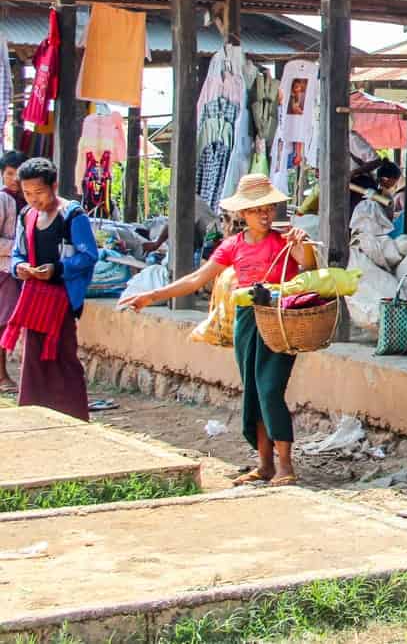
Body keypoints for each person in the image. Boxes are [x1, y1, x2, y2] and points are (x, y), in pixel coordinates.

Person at [123, 174, 316, 486]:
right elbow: (196, 279)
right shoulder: (232, 246)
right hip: (246, 321)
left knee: (270, 389)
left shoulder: (284, 241)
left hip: (279, 320)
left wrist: (302, 244)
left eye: (268, 208)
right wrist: (153, 295)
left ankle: (285, 465)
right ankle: (265, 464)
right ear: (243, 214)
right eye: (256, 210)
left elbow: (309, 268)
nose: (264, 215)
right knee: (253, 392)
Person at [1, 158, 99, 419]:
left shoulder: (72, 215)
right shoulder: (27, 215)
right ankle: (34, 415)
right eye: (27, 194)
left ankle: (74, 415)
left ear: (54, 186)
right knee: (32, 358)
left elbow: (89, 255)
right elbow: (18, 253)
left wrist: (57, 269)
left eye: (39, 193)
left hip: (63, 298)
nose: (33, 199)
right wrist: (20, 267)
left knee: (63, 356)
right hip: (34, 297)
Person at [0, 163, 17, 394]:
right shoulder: (3, 200)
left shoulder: (28, 199)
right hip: (5, 268)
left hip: (19, 269)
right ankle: (2, 375)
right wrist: (22, 249)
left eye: (17, 173)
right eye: (9, 174)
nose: (14, 178)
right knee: (3, 321)